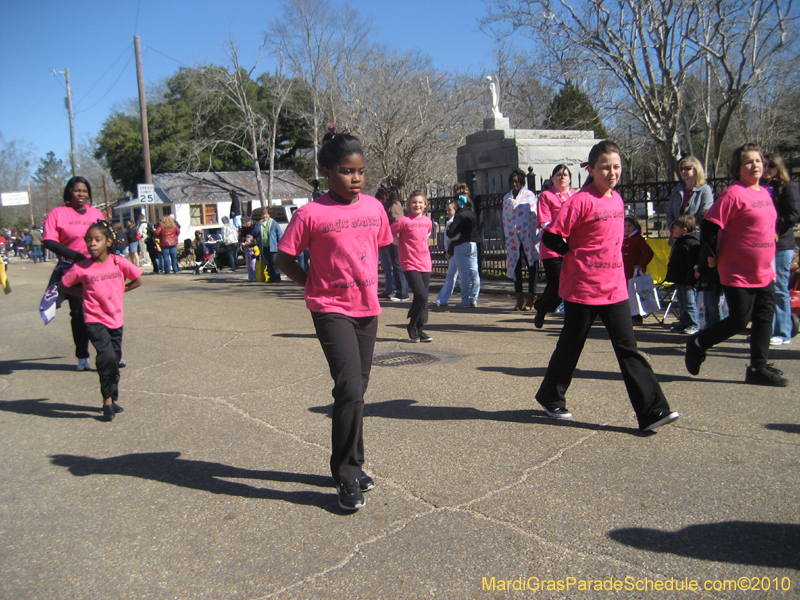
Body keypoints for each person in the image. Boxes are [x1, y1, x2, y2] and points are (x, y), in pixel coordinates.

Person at [275, 130, 392, 511]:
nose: (356, 178)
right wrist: (312, 283)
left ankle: (355, 465)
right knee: (348, 388)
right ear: (327, 172)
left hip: (367, 308)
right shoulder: (311, 214)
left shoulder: (374, 208)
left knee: (358, 388)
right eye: (346, 171)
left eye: (360, 171)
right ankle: (344, 475)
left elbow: (379, 250)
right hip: (330, 309)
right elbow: (283, 259)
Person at [536, 140, 679, 432]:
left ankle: (652, 411)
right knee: (571, 346)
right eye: (604, 167)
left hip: (615, 289)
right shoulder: (580, 200)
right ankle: (551, 395)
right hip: (583, 288)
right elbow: (550, 237)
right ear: (590, 169)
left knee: (629, 349)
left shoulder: (616, 199)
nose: (611, 172)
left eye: (616, 167)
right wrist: (573, 255)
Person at [686, 144, 788, 387]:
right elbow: (710, 225)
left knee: (764, 317)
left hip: (764, 270)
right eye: (748, 162)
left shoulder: (763, 192)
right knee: (739, 320)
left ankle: (757, 368)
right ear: (737, 168)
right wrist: (710, 256)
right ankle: (699, 342)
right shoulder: (733, 193)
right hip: (738, 270)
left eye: (758, 161)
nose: (755, 166)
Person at [59, 220, 142, 421]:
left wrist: (123, 289)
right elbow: (63, 285)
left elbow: (137, 279)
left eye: (97, 239)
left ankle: (113, 397)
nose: (92, 244)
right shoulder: (82, 267)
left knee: (114, 359)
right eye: (88, 240)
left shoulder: (118, 262)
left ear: (108, 241)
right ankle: (106, 401)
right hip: (94, 318)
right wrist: (82, 295)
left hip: (116, 317)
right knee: (105, 357)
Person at [42, 176, 106, 370]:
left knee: (104, 311)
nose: (81, 194)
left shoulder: (96, 213)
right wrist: (76, 257)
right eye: (77, 190)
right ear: (69, 192)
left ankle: (110, 354)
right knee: (78, 314)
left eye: (85, 191)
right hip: (73, 270)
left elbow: (106, 238)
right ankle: (82, 357)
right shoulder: (58, 213)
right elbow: (49, 241)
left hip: (97, 269)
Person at [761, 153, 800, 346]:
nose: (766, 170)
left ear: (778, 168)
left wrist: (771, 225)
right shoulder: (758, 188)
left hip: (781, 244)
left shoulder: (787, 188)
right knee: (763, 288)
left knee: (779, 287)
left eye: (770, 166)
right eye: (764, 165)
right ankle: (764, 329)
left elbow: (793, 215)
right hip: (760, 244)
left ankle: (783, 331)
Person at [534, 165, 575, 328]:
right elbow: (544, 221)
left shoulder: (575, 196)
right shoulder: (546, 196)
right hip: (553, 246)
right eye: (558, 175)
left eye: (565, 175)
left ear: (570, 178)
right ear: (552, 179)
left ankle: (572, 317)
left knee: (573, 282)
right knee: (557, 283)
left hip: (572, 246)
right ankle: (542, 307)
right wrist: (561, 234)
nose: (562, 177)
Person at [392, 191, 433, 342]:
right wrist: (398, 243)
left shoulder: (428, 221)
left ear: (425, 205)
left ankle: (419, 328)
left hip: (425, 262)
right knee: (420, 294)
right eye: (414, 202)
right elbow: (390, 232)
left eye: (420, 202)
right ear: (409, 205)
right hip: (409, 262)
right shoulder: (404, 221)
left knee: (424, 298)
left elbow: (425, 235)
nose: (417, 205)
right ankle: (411, 325)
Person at [503, 168, 539, 311]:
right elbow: (505, 218)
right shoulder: (507, 198)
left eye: (517, 181)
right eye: (512, 182)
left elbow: (533, 214)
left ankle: (531, 297)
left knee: (532, 265)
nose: (515, 184)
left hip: (528, 235)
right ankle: (519, 298)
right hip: (512, 237)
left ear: (522, 182)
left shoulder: (530, 196)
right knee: (515, 265)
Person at [447, 183, 481, 308]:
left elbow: (451, 232)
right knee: (474, 272)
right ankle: (474, 298)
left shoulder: (460, 216)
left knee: (464, 274)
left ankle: (465, 300)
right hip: (473, 245)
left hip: (461, 245)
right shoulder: (473, 214)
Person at [666, 215, 700, 334]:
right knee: (682, 302)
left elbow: (692, 264)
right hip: (680, 278)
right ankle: (684, 322)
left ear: (684, 230)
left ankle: (694, 324)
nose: (673, 231)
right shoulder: (679, 242)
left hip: (687, 280)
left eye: (675, 228)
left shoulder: (690, 243)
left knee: (689, 303)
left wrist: (691, 281)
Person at [666, 156, 714, 242]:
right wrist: (675, 230)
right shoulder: (676, 191)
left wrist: (687, 230)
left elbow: (705, 215)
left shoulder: (705, 190)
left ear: (696, 170)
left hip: (695, 239)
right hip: (676, 239)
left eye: (687, 168)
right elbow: (670, 214)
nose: (683, 171)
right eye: (681, 169)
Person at [622, 215, 655, 325]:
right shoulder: (621, 238)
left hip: (633, 272)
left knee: (633, 294)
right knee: (624, 293)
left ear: (635, 226)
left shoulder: (637, 239)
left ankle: (636, 315)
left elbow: (649, 253)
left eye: (629, 226)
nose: (627, 228)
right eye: (624, 226)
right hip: (622, 271)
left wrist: (641, 265)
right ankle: (628, 314)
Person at [434, 201, 460, 306]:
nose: (447, 212)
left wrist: (449, 251)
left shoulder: (455, 222)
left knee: (452, 276)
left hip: (455, 252)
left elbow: (454, 239)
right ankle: (442, 299)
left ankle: (442, 299)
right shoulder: (449, 222)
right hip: (451, 252)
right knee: (455, 276)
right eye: (447, 210)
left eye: (450, 210)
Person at [253, 208, 283, 282]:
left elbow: (279, 234)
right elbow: (254, 232)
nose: (264, 216)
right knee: (268, 263)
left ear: (268, 215)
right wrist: (258, 225)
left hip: (273, 246)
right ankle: (271, 277)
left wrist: (280, 245)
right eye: (263, 214)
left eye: (266, 214)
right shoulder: (260, 224)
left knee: (274, 263)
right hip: (264, 247)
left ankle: (277, 277)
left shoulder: (273, 223)